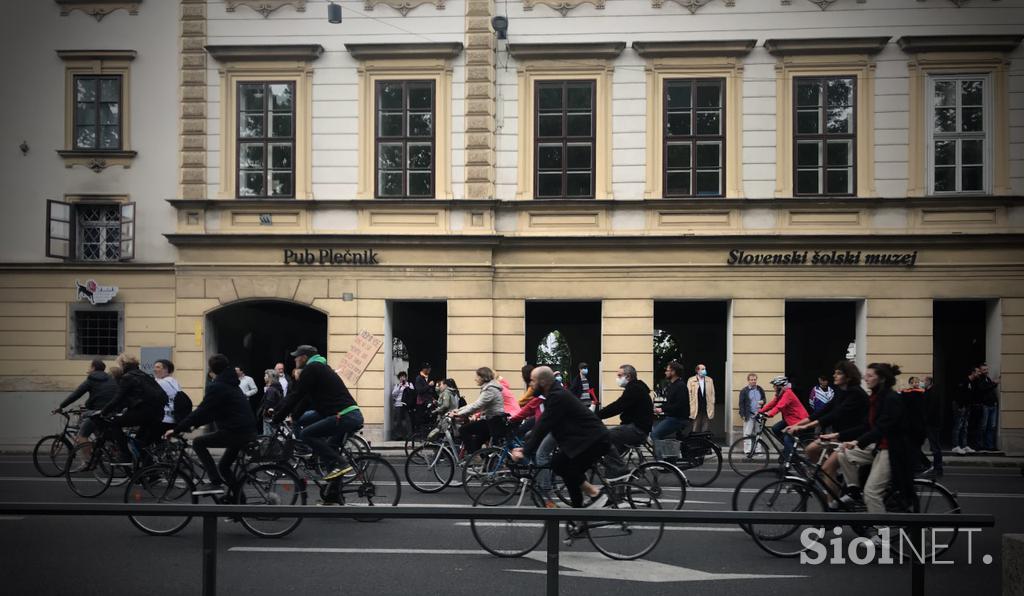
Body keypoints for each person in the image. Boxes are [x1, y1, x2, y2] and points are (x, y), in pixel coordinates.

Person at [271, 345, 363, 505]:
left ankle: (341, 463)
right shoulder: (320, 368)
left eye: (297, 356)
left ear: (305, 357)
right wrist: (295, 417)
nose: (294, 359)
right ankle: (334, 496)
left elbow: (296, 394)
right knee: (330, 450)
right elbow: (307, 399)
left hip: (344, 415)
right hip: (348, 414)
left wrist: (277, 417)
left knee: (307, 434)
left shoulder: (312, 369)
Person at [511, 366, 612, 509]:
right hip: (583, 440)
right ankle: (578, 515)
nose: (530, 384)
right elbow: (542, 424)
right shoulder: (553, 395)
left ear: (544, 382)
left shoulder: (557, 396)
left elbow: (544, 424)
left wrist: (525, 451)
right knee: (564, 468)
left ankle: (596, 494)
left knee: (563, 467)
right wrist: (527, 445)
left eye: (533, 381)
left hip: (594, 441)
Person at [837, 363, 918, 523]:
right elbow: (866, 425)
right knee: (842, 452)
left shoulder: (891, 399)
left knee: (872, 493)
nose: (865, 378)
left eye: (870, 376)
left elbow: (882, 427)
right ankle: (854, 492)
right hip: (879, 447)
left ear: (881, 379)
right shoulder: (875, 397)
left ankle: (882, 536)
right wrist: (841, 437)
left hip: (891, 449)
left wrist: (858, 442)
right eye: (866, 375)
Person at [166, 354, 257, 496]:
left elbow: (202, 410)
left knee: (198, 442)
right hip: (245, 430)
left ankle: (215, 482)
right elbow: (213, 412)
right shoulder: (231, 384)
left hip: (235, 432)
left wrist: (178, 429)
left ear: (212, 370)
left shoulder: (217, 386)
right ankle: (238, 502)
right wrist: (194, 425)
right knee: (224, 466)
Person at [786, 360, 869, 506]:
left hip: (850, 438)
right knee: (811, 449)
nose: (834, 375)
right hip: (838, 435)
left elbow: (834, 415)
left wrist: (805, 428)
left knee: (826, 468)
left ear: (848, 376)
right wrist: (797, 424)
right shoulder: (840, 392)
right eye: (835, 372)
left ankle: (831, 508)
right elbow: (821, 412)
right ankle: (835, 480)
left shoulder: (855, 393)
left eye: (838, 373)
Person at [96, 354, 167, 465]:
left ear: (123, 365)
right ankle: (151, 473)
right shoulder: (145, 375)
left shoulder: (127, 377)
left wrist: (103, 411)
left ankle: (125, 455)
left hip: (144, 412)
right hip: (158, 413)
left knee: (113, 424)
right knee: (140, 443)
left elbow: (118, 398)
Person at [597, 364, 653, 479]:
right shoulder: (636, 388)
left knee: (605, 437)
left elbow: (618, 406)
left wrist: (596, 416)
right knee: (610, 454)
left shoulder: (634, 389)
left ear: (627, 376)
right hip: (638, 428)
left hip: (637, 430)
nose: (617, 378)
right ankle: (615, 488)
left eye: (619, 375)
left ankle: (621, 471)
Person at [55, 359, 118, 448]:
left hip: (98, 412)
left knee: (82, 436)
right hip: (111, 411)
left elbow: (76, 394)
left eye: (90, 367)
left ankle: (88, 461)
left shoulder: (92, 378)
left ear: (93, 367)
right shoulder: (111, 378)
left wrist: (61, 406)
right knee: (101, 434)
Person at [450, 367, 505, 453]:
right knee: (477, 442)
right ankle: (478, 459)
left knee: (463, 430)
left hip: (493, 421)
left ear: (483, 377)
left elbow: (478, 405)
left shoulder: (490, 389)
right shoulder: (489, 388)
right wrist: (459, 410)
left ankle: (473, 458)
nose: (475, 379)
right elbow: (476, 404)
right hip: (492, 420)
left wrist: (459, 414)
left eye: (477, 377)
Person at [759, 376, 809, 461]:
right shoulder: (780, 394)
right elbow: (772, 403)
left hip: (798, 419)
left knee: (787, 437)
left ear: (780, 386)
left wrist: (769, 414)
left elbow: (779, 406)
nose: (773, 387)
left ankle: (791, 456)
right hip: (790, 418)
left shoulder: (788, 393)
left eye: (774, 385)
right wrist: (760, 411)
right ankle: (788, 447)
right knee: (775, 428)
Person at [651, 360, 689, 460]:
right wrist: (658, 408)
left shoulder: (680, 386)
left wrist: (662, 409)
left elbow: (679, 405)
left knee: (655, 434)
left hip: (678, 419)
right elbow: (669, 403)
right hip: (672, 417)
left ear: (673, 372)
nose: (665, 372)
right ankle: (668, 456)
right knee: (656, 431)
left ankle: (660, 462)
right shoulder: (672, 385)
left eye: (667, 370)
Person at [952, 368, 978, 455]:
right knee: (958, 425)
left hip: (966, 407)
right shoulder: (964, 381)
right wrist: (960, 406)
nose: (979, 373)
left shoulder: (972, 382)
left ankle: (964, 445)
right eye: (978, 372)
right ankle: (955, 446)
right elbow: (958, 394)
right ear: (973, 372)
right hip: (960, 406)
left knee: (965, 426)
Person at [738, 373, 766, 453]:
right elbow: (741, 404)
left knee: (758, 432)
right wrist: (742, 414)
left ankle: (758, 450)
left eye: (754, 379)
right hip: (748, 414)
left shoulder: (760, 389)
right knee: (747, 433)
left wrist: (763, 401)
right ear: (748, 380)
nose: (753, 381)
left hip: (758, 414)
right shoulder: (744, 391)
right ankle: (747, 450)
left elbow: (764, 399)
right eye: (751, 380)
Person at [975, 363, 1000, 451]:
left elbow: (990, 388)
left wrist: (994, 383)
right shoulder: (979, 379)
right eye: (984, 370)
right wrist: (994, 383)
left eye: (987, 369)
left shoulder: (987, 379)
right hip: (985, 405)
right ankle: (979, 445)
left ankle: (989, 446)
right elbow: (983, 389)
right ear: (980, 371)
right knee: (983, 426)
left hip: (993, 405)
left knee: (991, 427)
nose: (986, 371)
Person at [153, 359, 181, 436]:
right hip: (174, 418)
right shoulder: (174, 382)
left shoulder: (161, 382)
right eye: (154, 367)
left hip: (164, 419)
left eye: (158, 367)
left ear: (166, 370)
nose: (154, 370)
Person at [921, 376, 943, 476]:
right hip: (930, 423)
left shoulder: (933, 392)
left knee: (935, 447)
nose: (922, 383)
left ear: (929, 382)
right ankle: (933, 466)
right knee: (934, 446)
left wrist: (925, 421)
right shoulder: (927, 391)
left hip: (932, 424)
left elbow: (931, 409)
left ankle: (938, 468)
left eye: (923, 381)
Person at [686, 363, 716, 433]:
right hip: (696, 406)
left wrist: (712, 402)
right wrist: (690, 403)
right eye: (702, 369)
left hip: (707, 406)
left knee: (706, 426)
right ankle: (695, 442)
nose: (704, 370)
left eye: (705, 369)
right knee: (695, 426)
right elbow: (688, 393)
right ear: (697, 370)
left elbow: (712, 393)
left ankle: (704, 441)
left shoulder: (709, 380)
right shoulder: (691, 380)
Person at [259, 369, 285, 435]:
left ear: (270, 377)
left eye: (265, 376)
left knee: (268, 436)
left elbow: (269, 403)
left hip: (269, 417)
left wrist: (266, 411)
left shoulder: (271, 389)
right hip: (276, 415)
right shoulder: (278, 387)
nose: (264, 377)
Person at [390, 371, 414, 439]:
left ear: (406, 377)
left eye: (403, 376)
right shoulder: (397, 385)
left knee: (408, 420)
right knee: (398, 421)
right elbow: (393, 394)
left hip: (406, 405)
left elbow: (412, 393)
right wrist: (400, 387)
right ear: (399, 378)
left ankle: (409, 435)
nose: (402, 378)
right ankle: (398, 435)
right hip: (398, 404)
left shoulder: (409, 384)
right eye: (401, 377)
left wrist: (407, 387)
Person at [414, 362, 436, 431]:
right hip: (422, 402)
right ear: (424, 369)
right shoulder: (419, 378)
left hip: (429, 400)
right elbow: (419, 390)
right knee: (422, 418)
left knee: (431, 417)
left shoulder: (429, 377)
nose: (430, 370)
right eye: (428, 368)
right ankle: (421, 433)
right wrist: (429, 385)